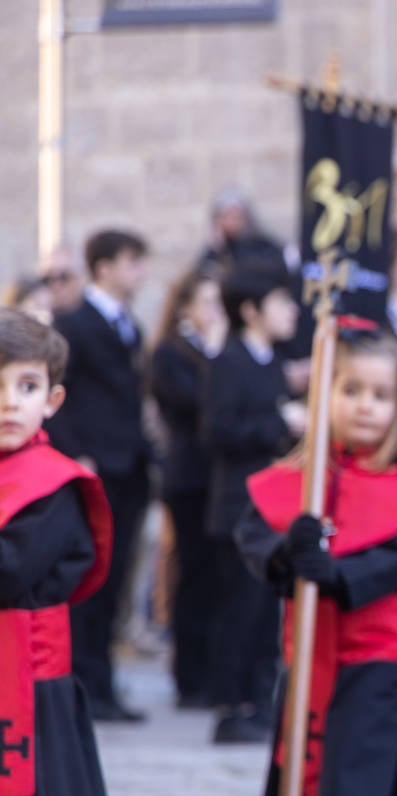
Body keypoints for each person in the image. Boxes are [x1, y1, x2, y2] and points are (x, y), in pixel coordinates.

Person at [237, 323, 397, 796]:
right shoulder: (295, 484)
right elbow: (254, 539)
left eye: (380, 396)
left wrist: (333, 572)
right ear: (324, 396)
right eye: (351, 390)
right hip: (307, 669)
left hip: (375, 673)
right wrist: (289, 551)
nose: (365, 406)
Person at [0, 311, 122, 796]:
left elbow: (8, 572)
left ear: (52, 399)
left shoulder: (52, 488)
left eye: (24, 387)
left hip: (33, 701)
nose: (7, 404)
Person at [45, 228, 152, 722]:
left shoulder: (128, 324)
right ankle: (84, 682)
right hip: (93, 467)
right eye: (132, 262)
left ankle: (103, 684)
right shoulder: (76, 323)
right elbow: (57, 396)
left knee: (116, 578)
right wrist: (77, 454)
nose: (140, 273)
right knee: (90, 579)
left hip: (128, 467)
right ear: (104, 266)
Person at [202, 264, 306, 743]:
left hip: (272, 505)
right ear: (250, 311)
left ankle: (259, 702)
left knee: (264, 613)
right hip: (236, 506)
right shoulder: (230, 361)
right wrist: (279, 422)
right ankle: (230, 706)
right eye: (280, 303)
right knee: (236, 614)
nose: (290, 312)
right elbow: (218, 431)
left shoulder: (271, 360)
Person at [148, 269, 228, 709]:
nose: (216, 313)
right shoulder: (170, 353)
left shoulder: (213, 351)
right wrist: (216, 354)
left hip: (215, 477)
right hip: (189, 478)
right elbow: (200, 405)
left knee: (216, 578)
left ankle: (213, 672)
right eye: (208, 303)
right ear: (186, 309)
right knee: (193, 576)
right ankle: (189, 677)